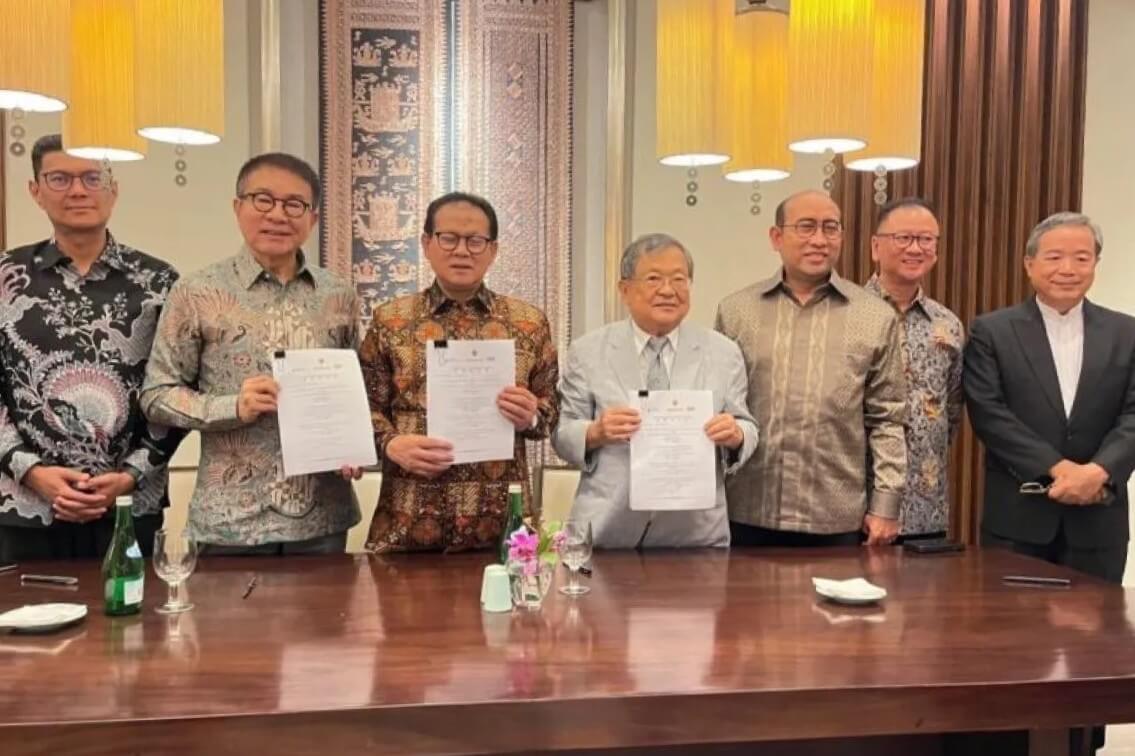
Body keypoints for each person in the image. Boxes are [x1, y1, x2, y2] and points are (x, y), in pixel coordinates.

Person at [141, 153, 362, 556]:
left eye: (294, 204)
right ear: (237, 206)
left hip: (322, 518)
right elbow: (157, 395)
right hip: (231, 521)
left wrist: (352, 446)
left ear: (312, 218)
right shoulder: (197, 292)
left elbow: (353, 392)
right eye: (263, 199)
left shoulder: (339, 296)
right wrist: (233, 406)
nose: (277, 214)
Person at [0, 134, 181, 560]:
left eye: (92, 178)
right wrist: (32, 472)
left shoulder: (160, 282)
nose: (78, 190)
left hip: (130, 504)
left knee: (130, 605)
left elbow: (178, 392)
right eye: (60, 178)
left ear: (113, 189)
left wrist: (132, 474)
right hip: (23, 507)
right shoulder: (6, 275)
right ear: (35, 190)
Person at [360, 192, 559, 552]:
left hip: (501, 527)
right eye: (449, 238)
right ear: (427, 243)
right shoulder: (390, 320)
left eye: (475, 240)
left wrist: (531, 416)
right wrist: (391, 443)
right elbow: (363, 408)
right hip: (407, 523)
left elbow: (551, 411)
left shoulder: (528, 323)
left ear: (493, 249)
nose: (462, 251)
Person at [715, 189, 907, 547]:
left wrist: (886, 506)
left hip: (836, 517)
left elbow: (888, 419)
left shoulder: (876, 316)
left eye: (830, 228)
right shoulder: (736, 311)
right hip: (747, 510)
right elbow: (721, 408)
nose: (819, 239)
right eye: (806, 227)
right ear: (776, 237)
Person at [552, 234, 758, 548]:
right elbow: (562, 434)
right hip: (607, 532)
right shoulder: (588, 351)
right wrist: (595, 432)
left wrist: (737, 434)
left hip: (696, 535)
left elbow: (748, 425)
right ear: (624, 289)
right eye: (653, 279)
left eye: (679, 279)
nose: (667, 290)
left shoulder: (723, 352)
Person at [965, 211, 1135, 585]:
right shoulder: (992, 332)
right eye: (1054, 257)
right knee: (1011, 622)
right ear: (1029, 264)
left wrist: (1098, 472)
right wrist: (1058, 469)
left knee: (1098, 622)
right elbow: (989, 414)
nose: (1068, 269)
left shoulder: (1127, 332)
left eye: (1081, 258)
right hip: (1018, 521)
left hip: (1099, 522)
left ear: (1096, 263)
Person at [864, 198, 964, 541]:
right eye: (903, 238)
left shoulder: (947, 323)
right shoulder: (849, 315)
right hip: (858, 507)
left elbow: (952, 411)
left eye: (926, 239)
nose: (915, 248)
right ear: (876, 247)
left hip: (927, 508)